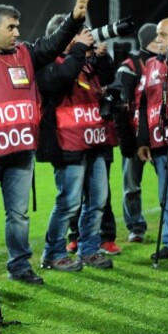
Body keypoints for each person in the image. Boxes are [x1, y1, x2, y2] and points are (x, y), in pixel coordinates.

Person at [0, 0, 88, 285]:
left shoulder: (26, 54)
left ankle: (20, 266)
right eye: (10, 27)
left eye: (17, 28)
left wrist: (74, 20)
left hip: (21, 151)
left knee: (19, 215)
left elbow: (53, 45)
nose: (17, 33)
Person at [37, 15, 117, 271]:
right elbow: (62, 78)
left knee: (98, 200)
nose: (82, 39)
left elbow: (107, 78)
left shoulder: (83, 62)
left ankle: (89, 249)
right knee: (69, 202)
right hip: (66, 142)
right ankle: (53, 253)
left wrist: (101, 56)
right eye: (75, 35)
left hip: (94, 140)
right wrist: (80, 50)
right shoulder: (48, 62)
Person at [136, 17, 168, 261]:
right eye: (157, 35)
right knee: (166, 195)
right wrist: (142, 140)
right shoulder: (151, 65)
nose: (158, 40)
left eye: (163, 35)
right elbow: (143, 103)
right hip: (159, 141)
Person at [115, 22, 158, 243]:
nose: (162, 42)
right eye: (158, 38)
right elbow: (121, 107)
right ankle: (136, 227)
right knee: (131, 186)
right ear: (150, 41)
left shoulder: (166, 63)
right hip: (134, 137)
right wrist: (126, 140)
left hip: (160, 136)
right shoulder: (130, 66)